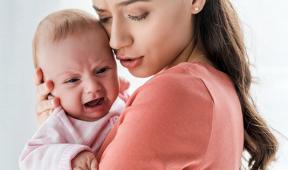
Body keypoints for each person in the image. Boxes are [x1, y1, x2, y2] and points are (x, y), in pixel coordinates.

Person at [34, 0, 278, 169]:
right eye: (104, 18)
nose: (116, 40)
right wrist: (64, 130)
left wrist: (59, 143)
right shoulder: (215, 84)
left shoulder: (176, 92)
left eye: (137, 14)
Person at [19, 9, 129, 170]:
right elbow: (29, 159)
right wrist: (71, 157)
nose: (93, 87)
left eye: (101, 70)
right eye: (73, 80)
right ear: (49, 89)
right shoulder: (60, 125)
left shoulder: (122, 100)